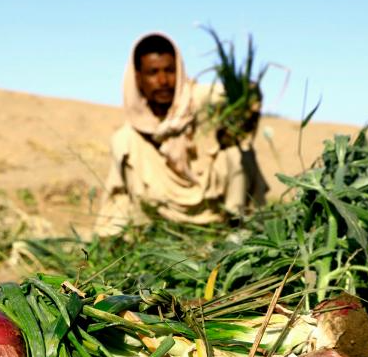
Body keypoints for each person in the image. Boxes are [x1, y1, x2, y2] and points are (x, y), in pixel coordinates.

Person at [94, 32, 267, 236]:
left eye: (170, 70)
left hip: (210, 204)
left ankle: (240, 231)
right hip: (159, 217)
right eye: (153, 73)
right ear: (138, 78)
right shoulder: (131, 135)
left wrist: (243, 100)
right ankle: (145, 236)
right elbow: (117, 195)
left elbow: (242, 95)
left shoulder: (197, 99)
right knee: (124, 142)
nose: (163, 80)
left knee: (239, 152)